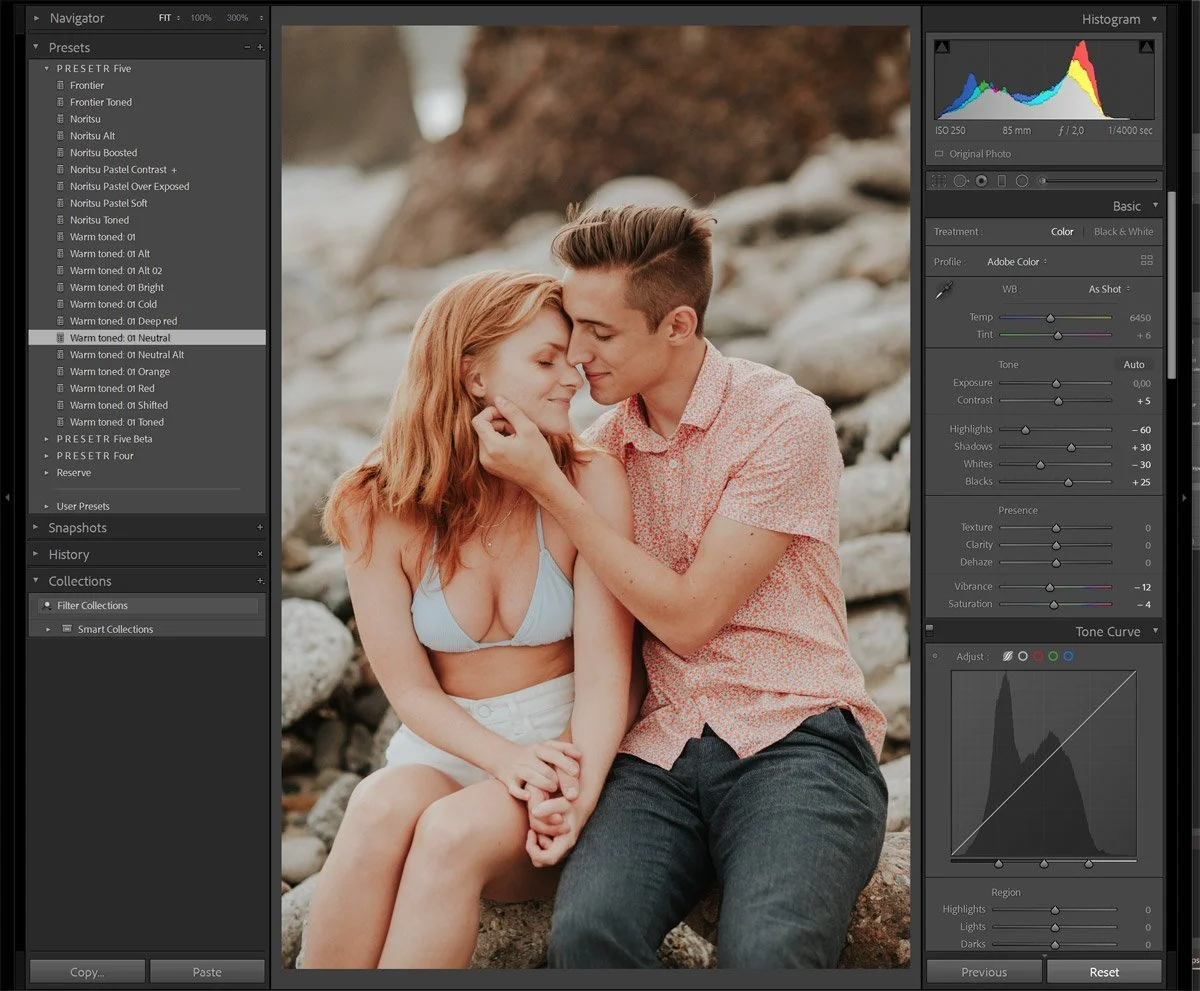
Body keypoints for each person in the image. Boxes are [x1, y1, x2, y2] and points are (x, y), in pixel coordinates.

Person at [472, 205, 891, 969]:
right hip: (655, 751)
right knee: (587, 935)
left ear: (677, 325)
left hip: (794, 738)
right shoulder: (599, 449)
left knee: (769, 952)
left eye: (602, 332)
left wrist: (550, 489)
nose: (577, 352)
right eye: (572, 327)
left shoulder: (782, 421)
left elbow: (692, 617)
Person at [303, 270, 636, 969]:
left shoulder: (587, 479)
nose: (571, 380)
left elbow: (611, 676)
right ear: (473, 374)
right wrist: (501, 759)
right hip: (447, 747)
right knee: (375, 809)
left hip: (567, 754)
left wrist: (570, 789)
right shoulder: (375, 503)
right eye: (545, 361)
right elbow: (410, 689)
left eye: (570, 362)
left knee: (450, 836)